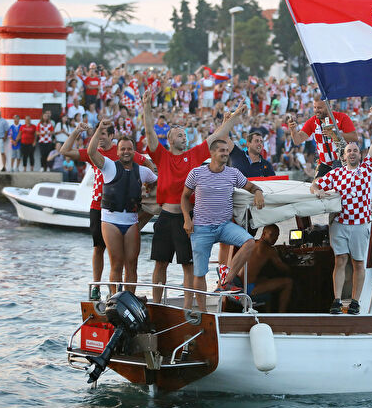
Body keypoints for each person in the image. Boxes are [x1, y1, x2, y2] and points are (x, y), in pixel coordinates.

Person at [143, 89, 246, 310]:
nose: (184, 137)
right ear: (170, 139)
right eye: (179, 135)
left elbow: (217, 135)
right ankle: (156, 304)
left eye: (185, 135)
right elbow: (150, 133)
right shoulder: (162, 156)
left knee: (188, 265)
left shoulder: (194, 155)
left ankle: (188, 308)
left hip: (186, 219)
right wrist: (146, 109)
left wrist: (235, 116)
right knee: (160, 263)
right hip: (164, 218)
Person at [61, 121, 154, 301]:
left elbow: (148, 166)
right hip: (101, 207)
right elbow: (66, 151)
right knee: (100, 249)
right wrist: (77, 131)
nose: (101, 138)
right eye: (98, 134)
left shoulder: (127, 154)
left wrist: (145, 189)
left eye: (103, 134)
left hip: (127, 210)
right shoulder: (100, 157)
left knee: (130, 260)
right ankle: (99, 287)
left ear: (112, 136)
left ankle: (128, 296)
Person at [311, 105, 372, 315]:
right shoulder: (337, 174)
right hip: (340, 223)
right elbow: (315, 184)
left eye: (354, 150)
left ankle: (355, 302)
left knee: (358, 262)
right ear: (343, 156)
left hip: (360, 224)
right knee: (340, 260)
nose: (352, 153)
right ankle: (336, 300)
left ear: (360, 154)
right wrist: (318, 192)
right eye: (348, 151)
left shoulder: (368, 169)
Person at [181, 139, 266, 312]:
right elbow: (184, 197)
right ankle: (204, 312)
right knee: (199, 273)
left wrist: (258, 192)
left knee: (249, 242)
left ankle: (226, 281)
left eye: (227, 151)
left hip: (224, 225)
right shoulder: (196, 173)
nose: (226, 153)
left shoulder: (233, 173)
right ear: (212, 153)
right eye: (222, 150)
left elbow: (252, 186)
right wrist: (187, 219)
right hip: (201, 228)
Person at [87, 120, 157, 294]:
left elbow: (158, 184)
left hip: (131, 221)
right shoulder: (108, 166)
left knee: (132, 264)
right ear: (117, 152)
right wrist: (100, 129)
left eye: (129, 149)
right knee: (117, 263)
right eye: (122, 149)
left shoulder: (143, 171)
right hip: (110, 221)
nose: (126, 152)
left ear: (134, 151)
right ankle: (114, 297)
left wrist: (149, 193)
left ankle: (129, 298)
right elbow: (90, 151)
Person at [220, 225, 293, 312]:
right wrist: (291, 266)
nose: (275, 238)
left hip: (238, 284)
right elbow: (282, 268)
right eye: (272, 235)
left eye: (277, 236)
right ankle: (282, 315)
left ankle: (267, 313)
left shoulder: (250, 244)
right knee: (288, 282)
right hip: (249, 289)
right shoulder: (269, 250)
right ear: (263, 234)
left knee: (265, 279)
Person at [288, 93, 359, 177]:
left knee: (339, 188)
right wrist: (293, 130)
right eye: (315, 107)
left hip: (343, 162)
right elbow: (297, 141)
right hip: (325, 164)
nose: (316, 110)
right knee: (315, 187)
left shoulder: (342, 117)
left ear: (329, 107)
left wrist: (335, 134)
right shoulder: (312, 121)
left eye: (320, 108)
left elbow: (354, 137)